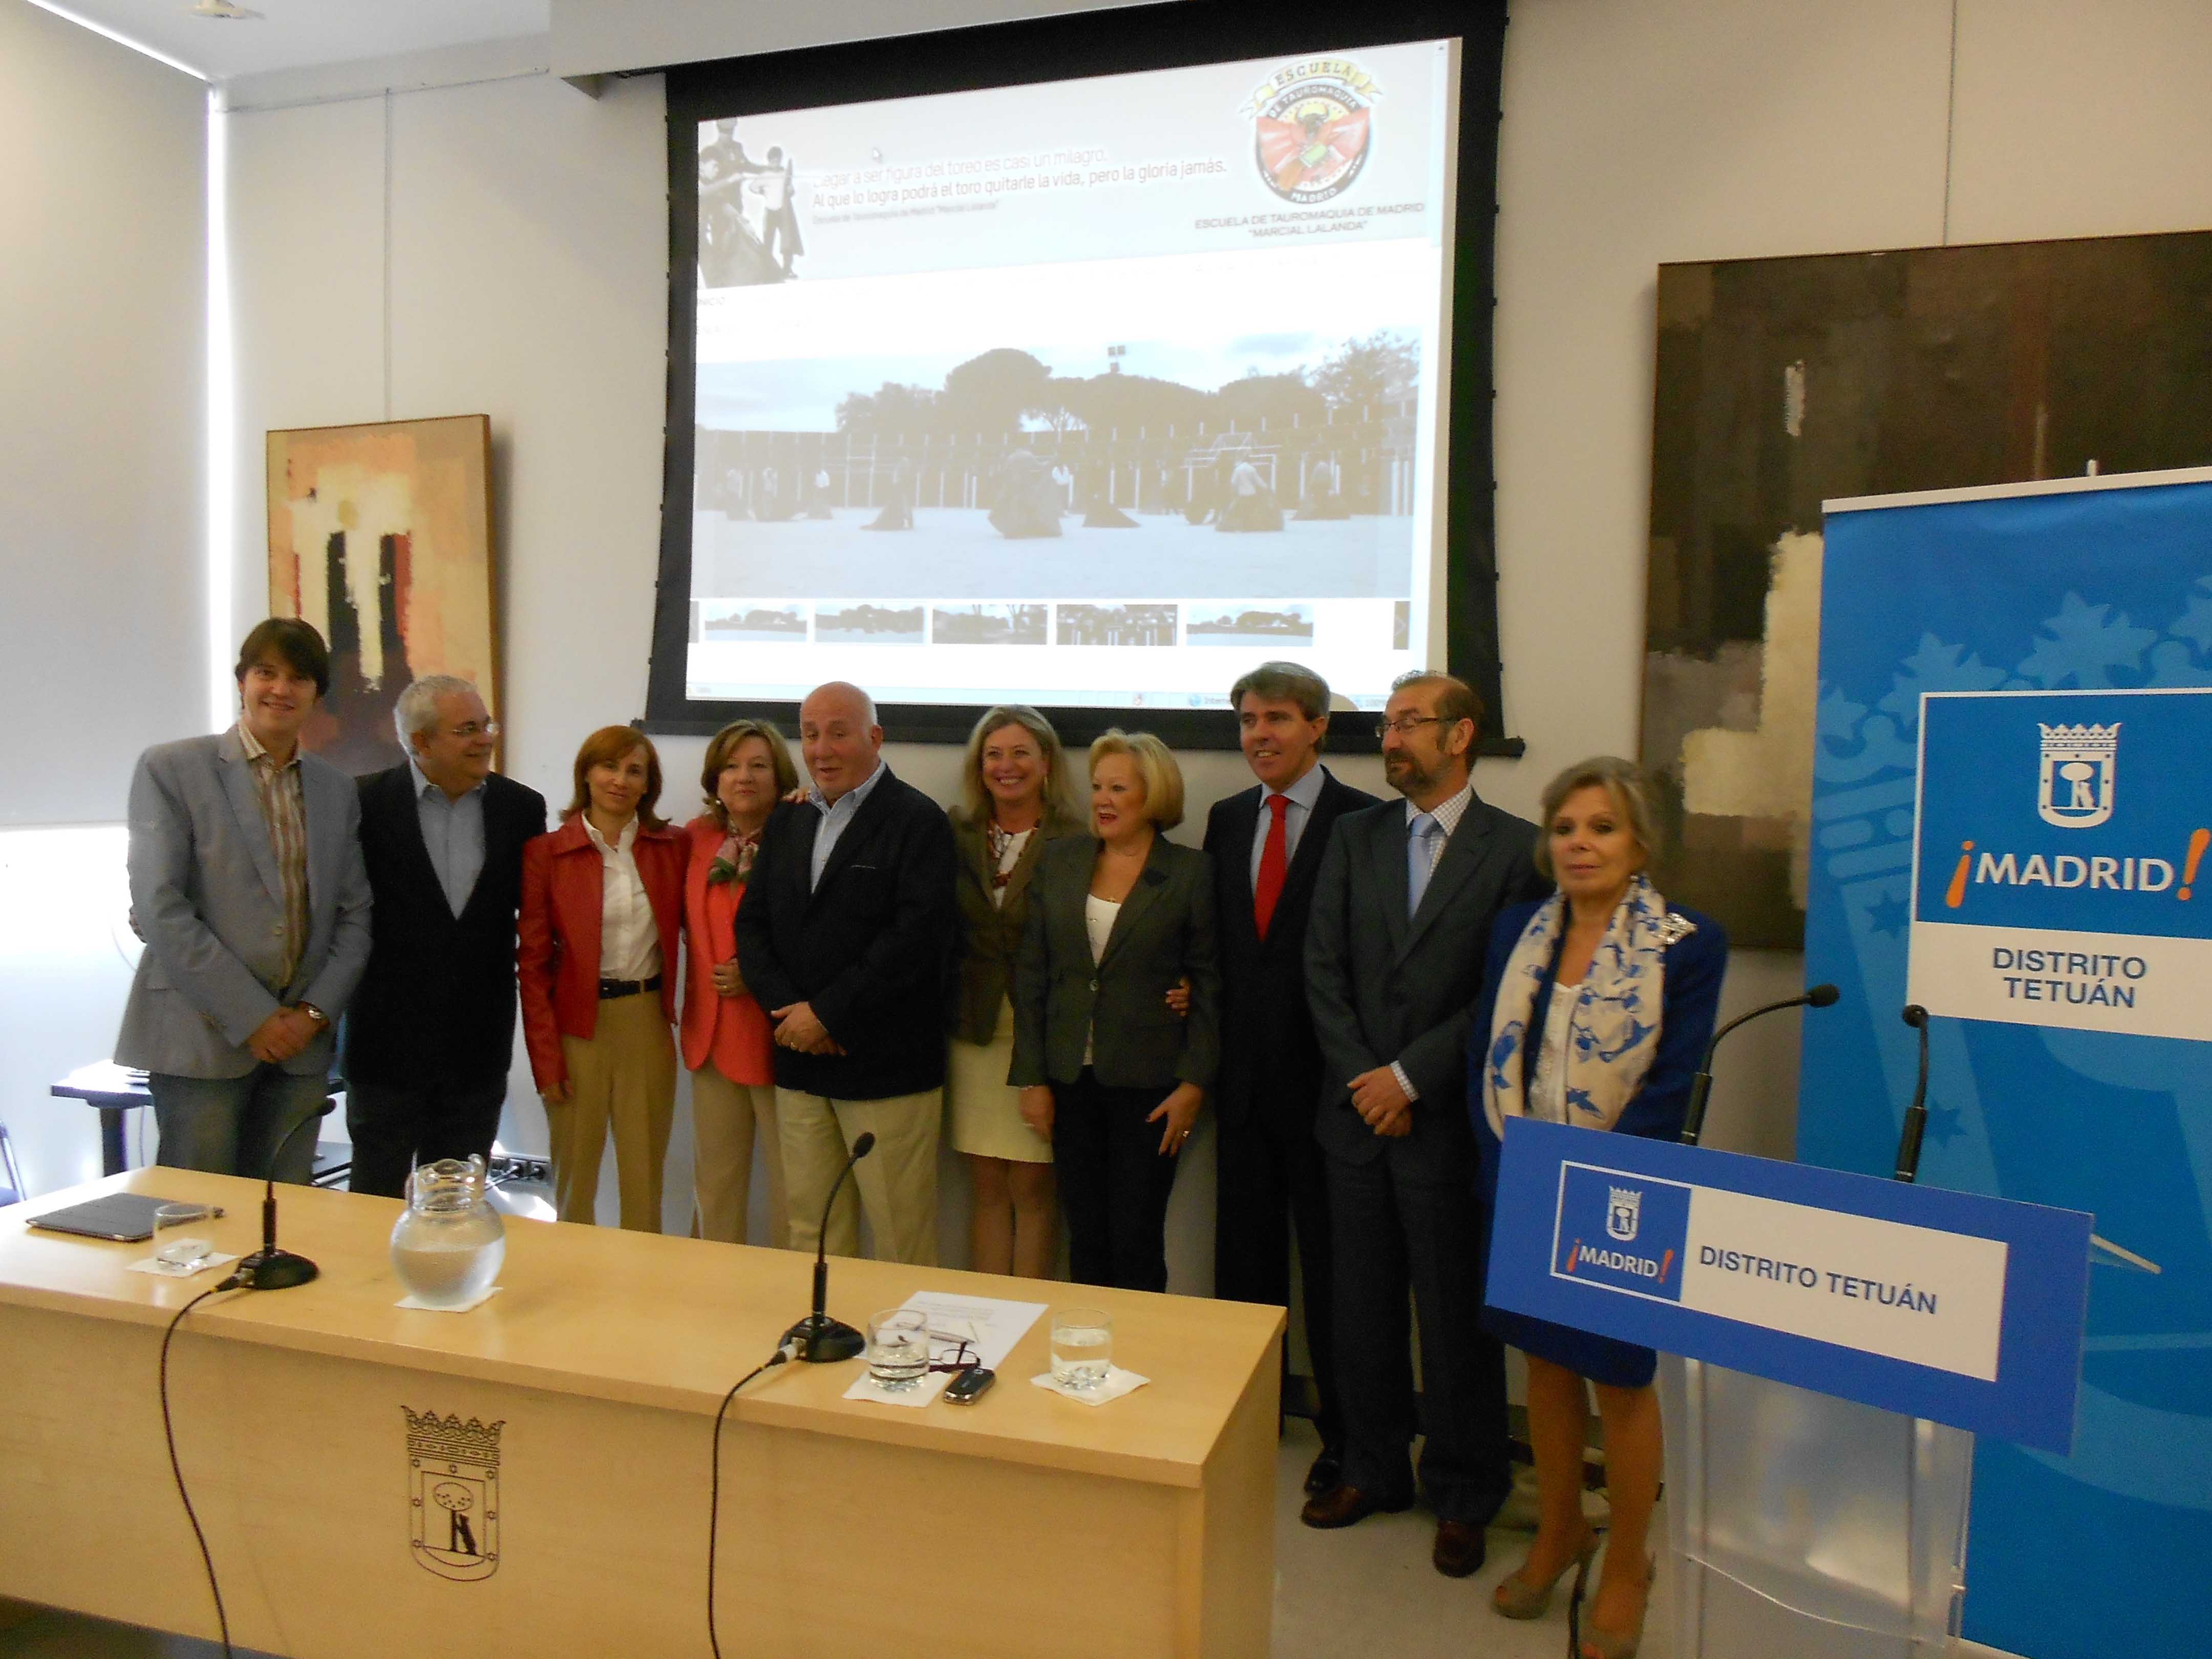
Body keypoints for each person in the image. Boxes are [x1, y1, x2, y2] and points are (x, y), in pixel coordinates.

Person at [1475, 758, 1725, 1659]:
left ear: (1640, 844)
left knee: (1619, 1378)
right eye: (1566, 828)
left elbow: (1678, 1079)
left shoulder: (1688, 943)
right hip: (1524, 1175)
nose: (1580, 843)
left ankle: (1626, 1562)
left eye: (1603, 827)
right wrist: (1510, 1164)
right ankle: (1561, 1531)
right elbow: (1489, 1057)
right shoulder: (1517, 930)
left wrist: (1596, 1176)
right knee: (1544, 1365)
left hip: (1624, 1191)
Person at [1301, 670, 1548, 1578]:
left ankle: (1464, 1492)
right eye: (1387, 724)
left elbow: (1505, 993)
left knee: (1453, 1324)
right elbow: (1321, 968)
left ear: (1461, 735)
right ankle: (1372, 1470)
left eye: (1410, 723)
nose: (1392, 739)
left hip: (1444, 1125)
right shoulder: (1355, 837)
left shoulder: (1516, 850)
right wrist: (1367, 1081)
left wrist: (1409, 1079)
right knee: (1359, 1313)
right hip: (1355, 1121)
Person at [1202, 662, 1380, 1496]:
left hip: (1331, 1091)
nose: (1259, 735)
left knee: (1338, 1275)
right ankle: (1246, 1421)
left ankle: (1346, 1438)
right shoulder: (1228, 818)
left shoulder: (1366, 822)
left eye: (1276, 718)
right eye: (1247, 720)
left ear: (1317, 726)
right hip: (1242, 1086)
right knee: (1243, 1267)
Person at [116, 619, 372, 1183]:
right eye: (266, 673)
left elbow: (355, 917)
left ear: (317, 694)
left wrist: (312, 1015)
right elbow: (159, 904)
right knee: (199, 1216)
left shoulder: (336, 789)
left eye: (298, 678)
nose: (280, 689)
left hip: (301, 1047)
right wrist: (254, 1018)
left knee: (287, 1217)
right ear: (242, 681)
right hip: (202, 1038)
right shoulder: (172, 769)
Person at [735, 683, 956, 1263]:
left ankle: (905, 1332)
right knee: (811, 1232)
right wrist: (792, 1017)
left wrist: (828, 1015)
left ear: (875, 737)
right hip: (800, 1061)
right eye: (810, 734)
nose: (821, 749)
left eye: (838, 733)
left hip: (885, 1067)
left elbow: (913, 943)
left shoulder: (918, 821)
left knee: (901, 1238)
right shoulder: (788, 819)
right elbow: (752, 927)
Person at [1011, 731, 1219, 1292]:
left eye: (1118, 789)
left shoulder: (1190, 873)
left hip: (1151, 1087)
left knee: (1137, 1238)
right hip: (1069, 1080)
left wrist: (1194, 1083)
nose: (1102, 799)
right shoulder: (1060, 859)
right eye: (1098, 786)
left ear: (1154, 795)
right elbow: (1031, 974)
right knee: (1086, 1238)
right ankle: (1087, 1345)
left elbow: (1210, 984)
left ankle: (1140, 1344)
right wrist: (1032, 1078)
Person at [344, 675, 546, 1198]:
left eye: (486, 726)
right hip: (385, 1048)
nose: (485, 739)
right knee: (372, 1204)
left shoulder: (522, 809)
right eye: (467, 730)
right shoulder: (362, 804)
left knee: (456, 1207)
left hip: (476, 1049)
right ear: (422, 742)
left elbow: (536, 917)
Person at [519, 728, 687, 1230]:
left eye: (634, 771)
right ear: (587, 774)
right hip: (576, 1031)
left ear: (648, 785)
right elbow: (532, 966)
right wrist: (546, 1062)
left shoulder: (673, 847)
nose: (620, 780)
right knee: (576, 1181)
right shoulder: (546, 853)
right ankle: (575, 1276)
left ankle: (644, 1276)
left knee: (644, 1180)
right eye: (609, 766)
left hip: (646, 1026)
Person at [946, 706, 1086, 1278]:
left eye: (1021, 753)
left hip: (1043, 1036)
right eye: (994, 755)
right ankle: (985, 1318)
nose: (1007, 766)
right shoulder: (956, 834)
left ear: (1046, 762)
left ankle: (1029, 1315)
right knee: (985, 1185)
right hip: (974, 1030)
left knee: (1032, 1186)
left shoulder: (1077, 839)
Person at [682, 719, 826, 1248]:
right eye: (731, 766)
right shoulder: (697, 838)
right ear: (715, 779)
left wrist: (758, 972)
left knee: (794, 1189)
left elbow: (824, 930)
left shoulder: (806, 834)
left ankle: (787, 1291)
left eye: (759, 765)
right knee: (714, 1185)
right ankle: (714, 1290)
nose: (743, 777)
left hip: (779, 1035)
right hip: (711, 1038)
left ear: (780, 777)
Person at [1218, 452, 1283, 532]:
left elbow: (1233, 482)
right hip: (1252, 494)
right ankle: (1249, 525)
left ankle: (1242, 526)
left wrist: (1233, 492)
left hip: (1242, 495)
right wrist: (1267, 488)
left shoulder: (1238, 469)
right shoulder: (1252, 469)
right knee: (1251, 511)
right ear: (1249, 460)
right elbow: (1258, 481)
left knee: (1241, 511)